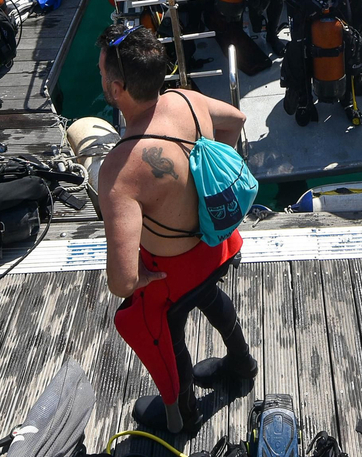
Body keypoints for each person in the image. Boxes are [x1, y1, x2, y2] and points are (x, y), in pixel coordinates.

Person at [97, 26, 255, 436]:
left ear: (116, 88)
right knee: (209, 295)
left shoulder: (120, 170)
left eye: (102, 75)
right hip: (219, 244)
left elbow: (121, 282)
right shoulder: (186, 98)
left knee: (166, 332)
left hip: (175, 273)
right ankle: (242, 363)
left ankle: (183, 417)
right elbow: (236, 119)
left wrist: (142, 277)